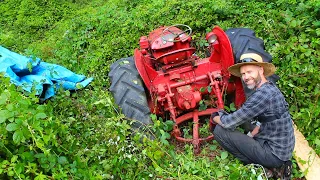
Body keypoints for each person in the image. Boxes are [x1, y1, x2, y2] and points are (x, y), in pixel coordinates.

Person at [211, 53, 295, 179]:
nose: (246, 77)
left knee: (219, 130)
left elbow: (228, 122)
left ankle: (263, 167)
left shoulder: (262, 95)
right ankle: (271, 165)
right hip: (282, 148)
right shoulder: (269, 88)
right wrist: (251, 134)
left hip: (274, 154)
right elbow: (263, 120)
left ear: (261, 70)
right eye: (243, 74)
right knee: (243, 121)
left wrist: (215, 116)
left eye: (249, 72)